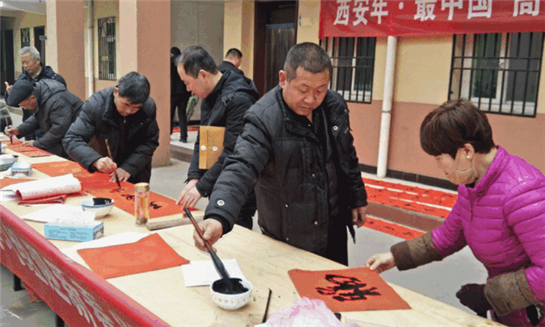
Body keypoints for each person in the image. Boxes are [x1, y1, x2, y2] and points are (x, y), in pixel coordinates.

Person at [366, 99, 545, 327]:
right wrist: (394, 257)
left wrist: (488, 295)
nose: (439, 167)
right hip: (512, 313)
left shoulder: (524, 192)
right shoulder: (472, 188)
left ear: (466, 151)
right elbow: (447, 237)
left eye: (440, 158)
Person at [192, 42, 368, 265]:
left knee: (333, 292)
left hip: (333, 225)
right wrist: (218, 215)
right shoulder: (263, 117)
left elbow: (346, 155)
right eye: (303, 90)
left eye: (320, 90)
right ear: (283, 79)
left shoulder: (333, 105)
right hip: (288, 234)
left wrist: (356, 197)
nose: (311, 99)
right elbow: (241, 166)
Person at [175, 45, 259, 230]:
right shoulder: (210, 94)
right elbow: (202, 139)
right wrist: (194, 177)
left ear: (204, 75)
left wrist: (201, 187)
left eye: (188, 82)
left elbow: (233, 151)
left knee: (235, 238)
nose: (188, 89)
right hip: (217, 181)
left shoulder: (239, 99)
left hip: (238, 187)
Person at [63, 72, 159, 184]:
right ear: (116, 92)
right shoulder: (95, 105)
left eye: (136, 108)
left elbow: (149, 141)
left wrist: (128, 167)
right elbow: (72, 139)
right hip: (103, 169)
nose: (129, 111)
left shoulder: (148, 107)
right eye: (126, 105)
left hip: (136, 169)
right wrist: (95, 160)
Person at [4, 79, 82, 159]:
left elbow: (59, 130)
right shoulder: (41, 94)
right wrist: (19, 130)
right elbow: (38, 116)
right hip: (65, 138)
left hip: (77, 139)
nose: (26, 108)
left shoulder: (56, 100)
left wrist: (37, 143)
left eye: (25, 105)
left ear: (32, 98)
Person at [5, 46, 66, 140]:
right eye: (22, 63)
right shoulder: (22, 79)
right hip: (29, 129)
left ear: (37, 60)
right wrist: (10, 94)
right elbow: (13, 103)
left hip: (48, 129)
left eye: (27, 62)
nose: (24, 66)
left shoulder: (54, 79)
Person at [170, 46, 191, 142]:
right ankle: (183, 137)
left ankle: (168, 134)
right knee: (182, 114)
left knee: (170, 114)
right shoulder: (184, 62)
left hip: (172, 93)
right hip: (184, 93)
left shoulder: (169, 62)